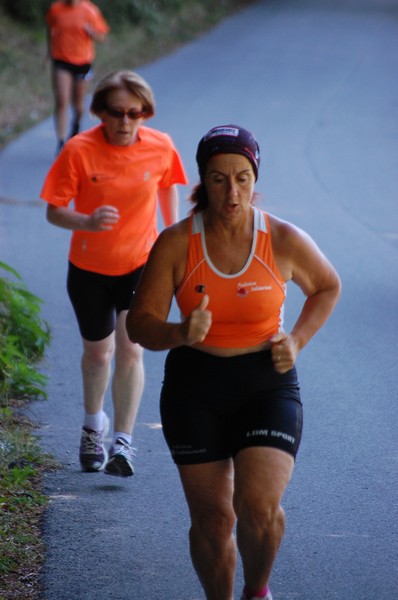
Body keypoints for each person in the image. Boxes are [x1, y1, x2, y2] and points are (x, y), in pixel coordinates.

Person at [126, 125, 341, 599]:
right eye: (219, 179)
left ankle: (256, 590)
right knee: (212, 518)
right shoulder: (177, 242)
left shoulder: (282, 239)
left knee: (259, 506)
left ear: (254, 178)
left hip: (266, 380)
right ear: (203, 180)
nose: (232, 191)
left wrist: (298, 339)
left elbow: (327, 286)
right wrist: (181, 332)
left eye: (242, 178)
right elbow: (139, 324)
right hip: (195, 384)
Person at [40, 69, 188, 477]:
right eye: (118, 112)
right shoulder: (79, 150)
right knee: (97, 353)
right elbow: (53, 210)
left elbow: (167, 183)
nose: (126, 122)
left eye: (136, 113)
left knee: (131, 348)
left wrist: (169, 235)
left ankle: (123, 442)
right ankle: (93, 427)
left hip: (140, 265)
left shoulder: (159, 146)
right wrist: (86, 222)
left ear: (145, 113)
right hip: (89, 270)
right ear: (100, 111)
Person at [45, 0, 110, 153]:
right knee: (62, 99)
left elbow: (102, 36)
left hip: (83, 62)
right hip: (61, 60)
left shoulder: (90, 10)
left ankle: (75, 125)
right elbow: (50, 28)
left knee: (78, 105)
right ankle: (61, 142)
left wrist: (92, 33)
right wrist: (50, 49)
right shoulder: (56, 9)